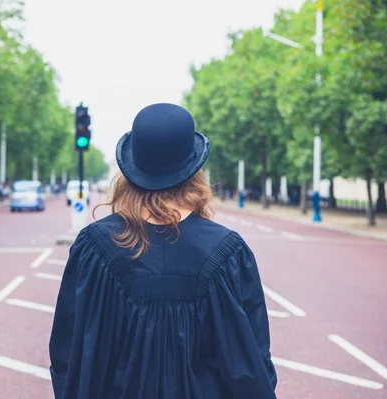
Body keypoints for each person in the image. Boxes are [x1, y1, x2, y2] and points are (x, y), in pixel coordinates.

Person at [49, 103, 277, 399]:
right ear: (194, 171)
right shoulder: (227, 253)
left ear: (131, 170)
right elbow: (252, 361)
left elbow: (67, 351)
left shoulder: (94, 248)